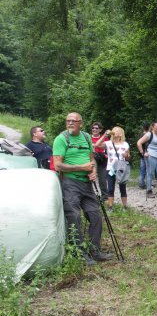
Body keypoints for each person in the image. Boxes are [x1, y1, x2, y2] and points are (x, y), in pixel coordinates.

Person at [52, 112, 113, 265]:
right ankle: (79, 253)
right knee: (74, 217)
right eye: (68, 121)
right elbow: (58, 165)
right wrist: (82, 167)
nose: (70, 123)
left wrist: (92, 170)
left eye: (74, 121)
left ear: (81, 123)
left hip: (87, 183)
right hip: (70, 183)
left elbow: (92, 158)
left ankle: (95, 250)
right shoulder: (61, 139)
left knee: (95, 216)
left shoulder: (86, 137)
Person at [94, 126, 130, 211]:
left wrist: (127, 156)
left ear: (121, 133)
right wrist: (104, 135)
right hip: (111, 168)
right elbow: (97, 145)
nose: (116, 132)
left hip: (121, 168)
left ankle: (125, 207)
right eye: (115, 131)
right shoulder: (108, 143)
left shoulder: (125, 144)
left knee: (122, 187)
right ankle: (110, 207)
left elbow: (128, 157)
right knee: (110, 188)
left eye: (118, 131)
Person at [90, 122, 109, 201]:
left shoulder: (104, 138)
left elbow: (108, 147)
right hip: (91, 157)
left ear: (100, 130)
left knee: (102, 178)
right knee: (91, 177)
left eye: (96, 128)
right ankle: (90, 195)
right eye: (93, 128)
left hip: (101, 158)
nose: (94, 129)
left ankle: (104, 196)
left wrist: (107, 154)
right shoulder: (87, 137)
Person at [137, 122, 151, 189]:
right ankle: (146, 184)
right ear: (149, 127)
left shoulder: (141, 134)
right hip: (146, 154)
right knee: (148, 170)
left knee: (142, 170)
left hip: (141, 154)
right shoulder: (148, 135)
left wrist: (141, 152)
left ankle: (141, 183)